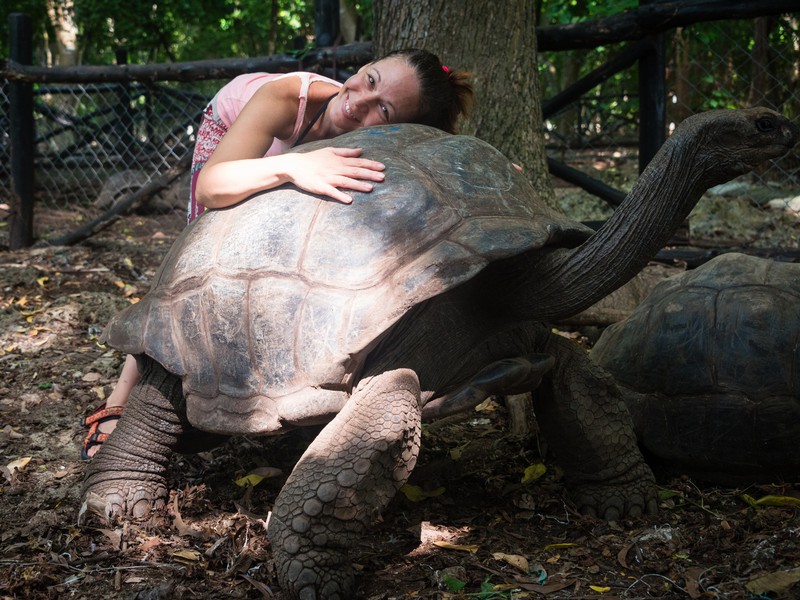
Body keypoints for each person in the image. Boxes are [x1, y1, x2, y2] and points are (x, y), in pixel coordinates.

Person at [81, 48, 474, 459]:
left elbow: (444, 162)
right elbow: (211, 185)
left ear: (400, 130)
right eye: (370, 80)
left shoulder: (391, 142)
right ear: (364, 68)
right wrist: (292, 167)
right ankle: (121, 401)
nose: (359, 101)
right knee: (195, 266)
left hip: (310, 164)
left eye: (385, 111)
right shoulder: (287, 96)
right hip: (239, 146)